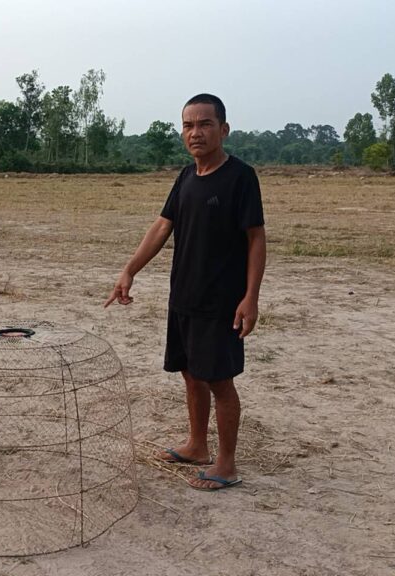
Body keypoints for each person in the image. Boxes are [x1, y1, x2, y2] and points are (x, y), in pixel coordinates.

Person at [104, 94, 266, 491]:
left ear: (223, 130)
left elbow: (256, 239)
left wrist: (251, 297)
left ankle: (226, 464)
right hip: (184, 297)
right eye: (188, 125)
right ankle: (196, 445)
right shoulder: (186, 177)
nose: (196, 132)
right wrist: (129, 270)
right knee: (191, 373)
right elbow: (162, 227)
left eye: (205, 124)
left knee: (219, 381)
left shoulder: (240, 177)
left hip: (221, 302)